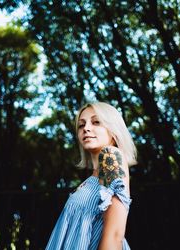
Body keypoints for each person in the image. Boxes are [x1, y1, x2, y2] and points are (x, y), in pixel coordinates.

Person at [45, 101, 137, 250]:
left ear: (113, 130)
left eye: (96, 122)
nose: (86, 128)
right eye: (81, 125)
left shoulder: (111, 156)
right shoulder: (91, 178)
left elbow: (115, 234)